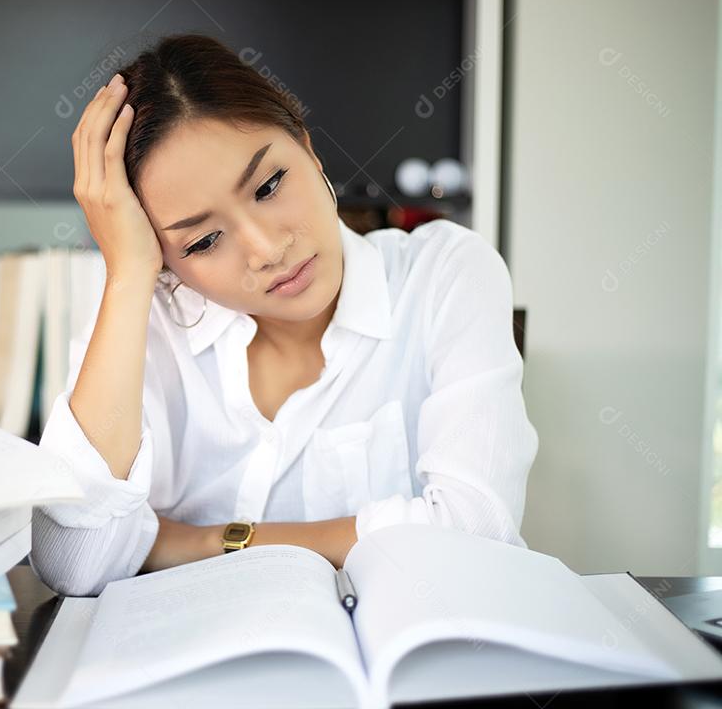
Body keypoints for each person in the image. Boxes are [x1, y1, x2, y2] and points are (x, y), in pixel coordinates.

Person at [29, 34, 539, 597]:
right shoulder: (143, 322)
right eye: (202, 241)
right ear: (164, 259)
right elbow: (72, 563)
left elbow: (476, 530)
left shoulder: (444, 272)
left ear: (308, 147)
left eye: (269, 185)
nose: (267, 248)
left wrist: (195, 542)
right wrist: (127, 277)